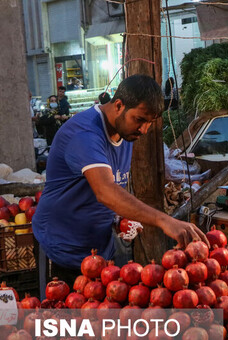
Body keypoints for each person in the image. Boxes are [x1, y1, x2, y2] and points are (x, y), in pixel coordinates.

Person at [33, 74, 206, 284]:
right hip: (62, 248)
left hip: (100, 251)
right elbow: (105, 190)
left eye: (150, 122)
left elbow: (110, 186)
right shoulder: (85, 133)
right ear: (118, 105)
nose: (144, 129)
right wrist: (164, 220)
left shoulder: (126, 132)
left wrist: (119, 217)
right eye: (140, 120)